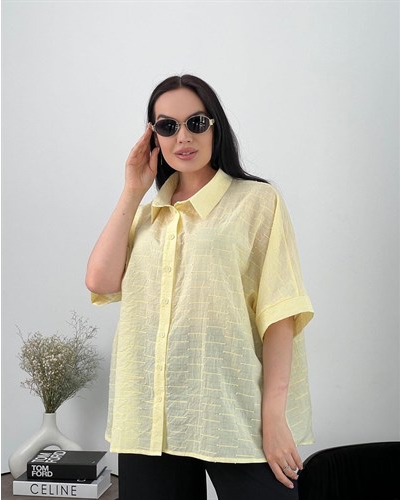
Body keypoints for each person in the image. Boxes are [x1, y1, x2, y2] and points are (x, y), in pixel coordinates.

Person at [86, 74, 314, 500]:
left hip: (230, 408)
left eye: (196, 122)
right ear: (153, 136)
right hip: (148, 417)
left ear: (215, 127)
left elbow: (280, 314)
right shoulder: (147, 215)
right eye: (167, 126)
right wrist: (132, 190)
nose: (183, 137)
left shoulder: (257, 201)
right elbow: (99, 281)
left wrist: (274, 417)